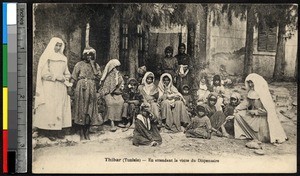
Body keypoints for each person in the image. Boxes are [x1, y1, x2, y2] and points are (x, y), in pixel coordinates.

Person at [33, 37, 72, 141]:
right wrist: (56, 77)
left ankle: (58, 130)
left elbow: (67, 72)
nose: (58, 47)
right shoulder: (47, 57)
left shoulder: (63, 58)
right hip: (49, 86)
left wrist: (66, 78)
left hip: (61, 87)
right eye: (56, 45)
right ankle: (49, 131)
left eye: (60, 45)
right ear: (52, 45)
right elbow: (44, 74)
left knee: (60, 107)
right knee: (50, 107)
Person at [234, 73, 287, 144]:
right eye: (249, 82)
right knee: (237, 115)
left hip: (263, 119)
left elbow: (268, 111)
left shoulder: (264, 94)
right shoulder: (251, 92)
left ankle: (259, 136)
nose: (250, 85)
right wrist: (237, 108)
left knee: (262, 134)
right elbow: (246, 103)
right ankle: (246, 133)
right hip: (253, 115)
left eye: (251, 83)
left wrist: (255, 112)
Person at [70, 47, 103, 140]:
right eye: (87, 55)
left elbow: (98, 77)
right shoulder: (79, 64)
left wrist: (93, 65)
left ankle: (87, 131)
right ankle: (81, 132)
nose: (89, 57)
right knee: (81, 108)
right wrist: (70, 87)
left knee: (90, 108)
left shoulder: (96, 65)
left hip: (91, 88)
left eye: (91, 55)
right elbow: (73, 77)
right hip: (81, 88)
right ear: (84, 55)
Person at [99, 59, 124, 132]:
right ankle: (112, 122)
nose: (116, 69)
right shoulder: (108, 76)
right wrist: (110, 92)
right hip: (108, 93)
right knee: (111, 103)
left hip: (117, 93)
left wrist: (120, 89)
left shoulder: (119, 75)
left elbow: (122, 83)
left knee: (120, 101)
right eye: (115, 67)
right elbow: (105, 87)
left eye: (117, 67)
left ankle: (118, 120)